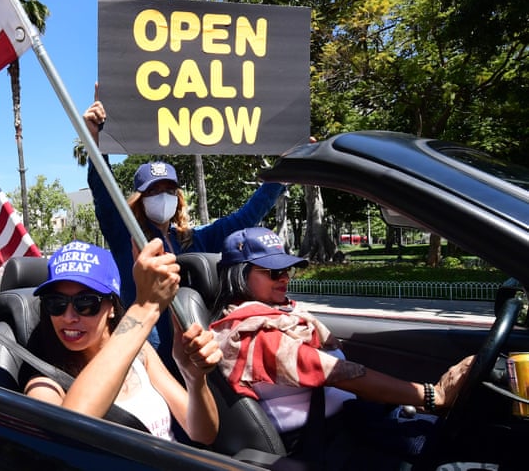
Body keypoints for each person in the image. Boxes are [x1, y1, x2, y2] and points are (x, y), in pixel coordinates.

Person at [209, 226, 473, 464]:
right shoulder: (249, 332)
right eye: (274, 272)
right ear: (239, 275)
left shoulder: (281, 316)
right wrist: (432, 395)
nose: (285, 278)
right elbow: (337, 373)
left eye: (287, 269)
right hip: (322, 442)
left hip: (347, 424)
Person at [83, 91, 286, 358]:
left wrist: (283, 173)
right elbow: (104, 192)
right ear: (140, 200)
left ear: (178, 198)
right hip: (149, 353)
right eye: (153, 192)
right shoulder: (127, 236)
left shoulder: (195, 238)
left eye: (168, 190)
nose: (162, 197)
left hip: (196, 348)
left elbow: (246, 217)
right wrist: (95, 141)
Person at [23, 239, 221, 445]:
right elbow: (66, 435)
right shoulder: (45, 385)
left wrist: (194, 379)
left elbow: (203, 434)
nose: (68, 317)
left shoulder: (140, 353)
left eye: (86, 303)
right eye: (56, 304)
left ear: (112, 307)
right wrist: (146, 309)